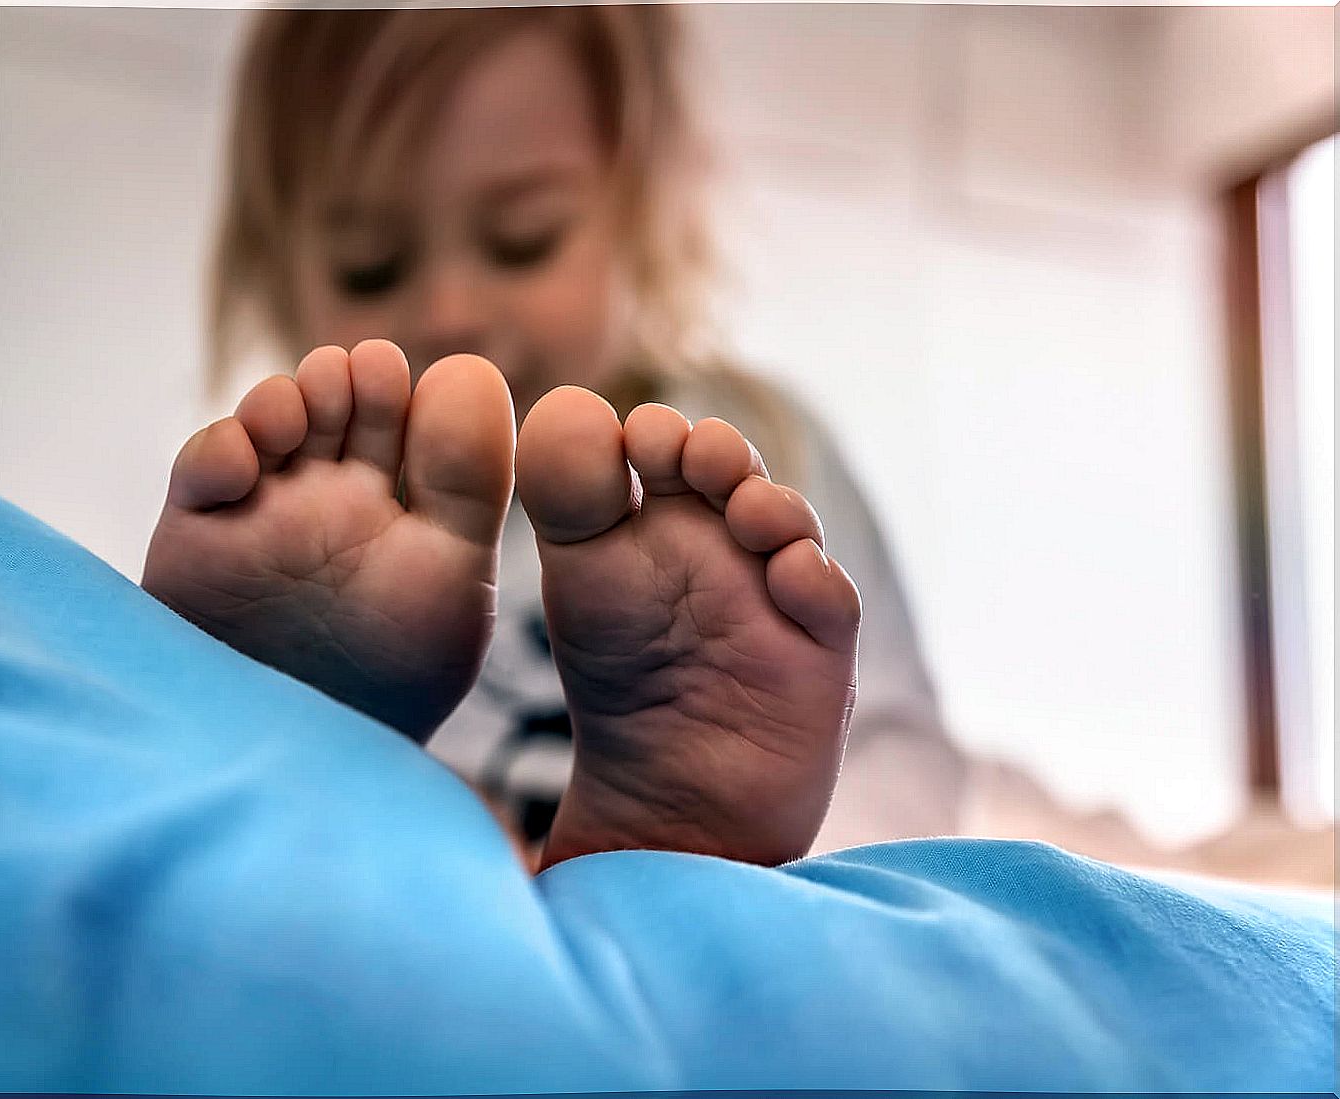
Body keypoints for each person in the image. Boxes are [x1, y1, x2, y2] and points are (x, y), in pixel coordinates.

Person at [145, 5, 963, 861]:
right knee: (293, 827)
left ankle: (694, 861)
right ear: (278, 273)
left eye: (523, 242)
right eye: (370, 265)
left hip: (699, 908)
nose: (449, 313)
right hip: (410, 914)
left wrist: (801, 855)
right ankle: (345, 788)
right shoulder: (298, 516)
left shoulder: (754, 459)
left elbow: (899, 753)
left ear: (642, 214)